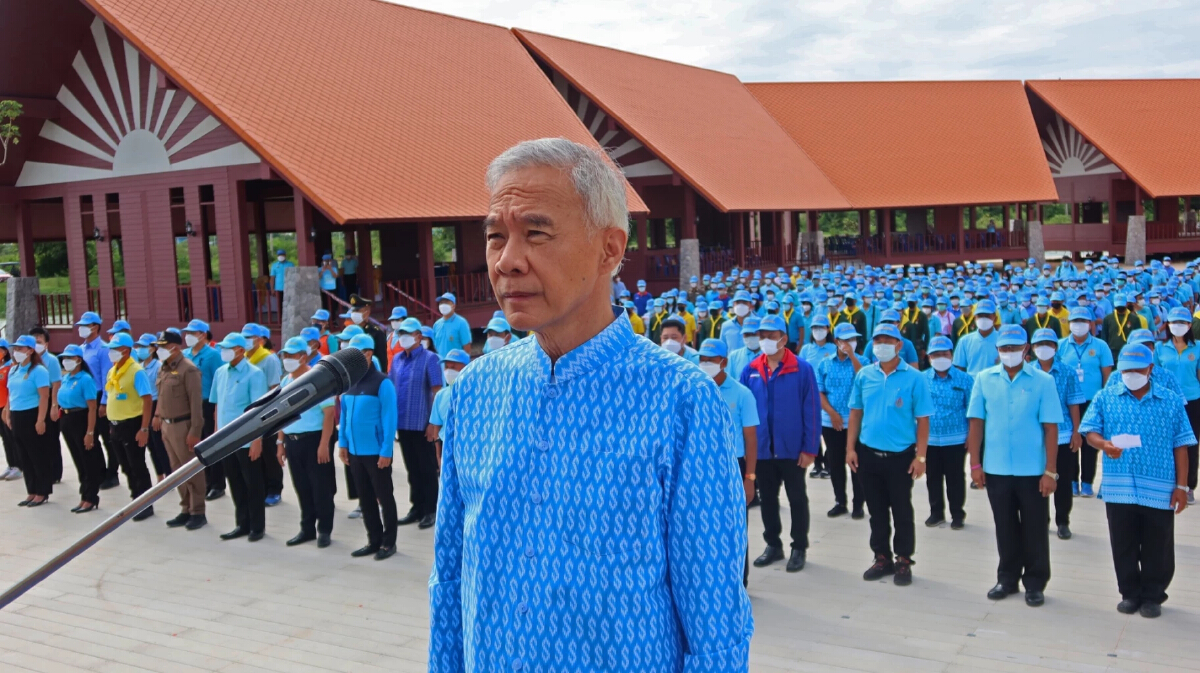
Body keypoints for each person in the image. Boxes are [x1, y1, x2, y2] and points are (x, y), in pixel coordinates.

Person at [430, 139, 752, 671]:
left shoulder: (682, 402)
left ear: (610, 248)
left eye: (535, 233)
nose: (507, 261)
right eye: (494, 237)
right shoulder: (472, 393)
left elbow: (715, 621)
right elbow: (450, 580)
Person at [1081, 343, 1194, 619]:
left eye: (1137, 369)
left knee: (1158, 544)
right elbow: (1090, 431)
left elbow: (1182, 445)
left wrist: (1182, 487)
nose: (1131, 374)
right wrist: (1104, 444)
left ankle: (1153, 595)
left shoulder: (1170, 400)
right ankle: (1129, 593)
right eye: (1126, 370)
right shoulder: (1106, 397)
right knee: (1123, 542)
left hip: (1160, 487)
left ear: (1150, 369)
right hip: (1120, 488)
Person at [967, 324, 1062, 607]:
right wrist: (975, 465)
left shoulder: (1043, 381)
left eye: (1014, 348)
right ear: (997, 350)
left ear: (1026, 349)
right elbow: (976, 423)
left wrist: (1050, 471)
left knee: (1034, 527)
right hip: (996, 468)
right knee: (1004, 525)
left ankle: (1035, 582)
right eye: (1004, 348)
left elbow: (1051, 429)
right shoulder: (984, 379)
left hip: (1033, 470)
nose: (1009, 353)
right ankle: (1007, 578)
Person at [845, 323, 933, 587]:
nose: (881, 344)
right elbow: (855, 413)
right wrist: (850, 448)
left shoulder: (915, 378)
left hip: (900, 457)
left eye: (887, 340)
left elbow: (923, 420)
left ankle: (903, 559)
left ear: (898, 345)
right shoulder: (865, 376)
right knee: (876, 510)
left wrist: (921, 457)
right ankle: (881, 556)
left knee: (902, 509)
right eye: (877, 340)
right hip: (868, 454)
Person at [742, 314, 819, 574]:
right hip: (762, 449)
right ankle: (773, 544)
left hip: (792, 449)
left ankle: (799, 546)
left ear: (783, 339)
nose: (764, 340)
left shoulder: (802, 368)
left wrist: (810, 449)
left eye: (771, 336)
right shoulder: (751, 369)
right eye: (761, 335)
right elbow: (744, 413)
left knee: (797, 498)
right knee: (768, 500)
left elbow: (811, 410)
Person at [697, 337, 759, 586]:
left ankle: (738, 583)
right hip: (701, 466)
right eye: (702, 359)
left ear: (724, 362)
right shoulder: (695, 388)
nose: (705, 364)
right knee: (704, 526)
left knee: (734, 528)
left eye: (711, 360)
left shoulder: (742, 394)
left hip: (733, 466)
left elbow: (751, 439)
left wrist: (750, 478)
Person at [340, 333, 398, 560]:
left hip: (376, 452)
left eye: (357, 354)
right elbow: (343, 416)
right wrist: (343, 443)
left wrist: (386, 450)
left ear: (368, 354)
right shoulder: (349, 382)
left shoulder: (382, 382)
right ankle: (373, 540)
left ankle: (388, 542)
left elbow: (389, 418)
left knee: (385, 497)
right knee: (364, 498)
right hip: (354, 452)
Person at [276, 337, 337, 549]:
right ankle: (307, 528)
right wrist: (280, 443)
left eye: (291, 355)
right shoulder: (286, 381)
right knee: (301, 487)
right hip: (293, 441)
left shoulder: (317, 379)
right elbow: (282, 415)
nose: (287, 359)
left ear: (303, 357)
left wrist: (324, 445)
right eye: (285, 355)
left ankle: (324, 530)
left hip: (314, 439)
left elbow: (329, 414)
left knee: (321, 487)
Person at [210, 333, 268, 542]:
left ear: (240, 350)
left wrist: (256, 441)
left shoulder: (254, 374)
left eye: (229, 347)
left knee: (253, 483)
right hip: (226, 439)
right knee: (235, 482)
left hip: (246, 439)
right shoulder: (220, 372)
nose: (224, 351)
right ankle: (242, 523)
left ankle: (257, 526)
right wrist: (217, 435)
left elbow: (259, 412)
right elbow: (218, 405)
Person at [386, 317, 442, 529]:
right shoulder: (398, 359)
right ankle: (416, 507)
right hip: (403, 423)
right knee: (412, 468)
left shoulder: (431, 359)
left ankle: (430, 509)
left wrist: (432, 423)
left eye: (408, 333)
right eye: (401, 333)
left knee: (427, 468)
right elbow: (391, 389)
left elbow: (437, 392)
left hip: (422, 424)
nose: (404, 337)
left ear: (419, 336)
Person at [1031, 328, 1085, 540]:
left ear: (1055, 347)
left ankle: (1062, 521)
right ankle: (1040, 520)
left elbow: (1073, 404)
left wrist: (1077, 432)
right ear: (1033, 348)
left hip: (1063, 434)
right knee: (1037, 478)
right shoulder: (1028, 371)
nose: (1043, 348)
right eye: (1039, 344)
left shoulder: (1067, 372)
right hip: (1037, 434)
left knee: (1063, 480)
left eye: (1048, 344)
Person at [152, 331, 207, 531]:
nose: (159, 350)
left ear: (174, 347)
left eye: (163, 346)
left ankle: (198, 511)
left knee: (190, 469)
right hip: (167, 425)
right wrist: (158, 416)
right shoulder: (164, 368)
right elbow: (161, 396)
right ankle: (185, 508)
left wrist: (195, 430)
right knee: (176, 470)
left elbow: (195, 404)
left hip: (183, 426)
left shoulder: (189, 370)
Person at [1059, 306, 1115, 499]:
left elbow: (1107, 374)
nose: (1078, 325)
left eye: (1083, 321)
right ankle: (1072, 480)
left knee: (1090, 442)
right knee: (1071, 441)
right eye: (1075, 321)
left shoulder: (1101, 346)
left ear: (1091, 324)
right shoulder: (1061, 346)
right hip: (1068, 401)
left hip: (1093, 400)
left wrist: (1106, 399)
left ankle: (1088, 482)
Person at [103, 332, 156, 521]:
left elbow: (147, 400)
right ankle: (135, 499)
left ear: (126, 350)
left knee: (137, 465)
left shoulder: (136, 371)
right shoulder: (113, 370)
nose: (111, 353)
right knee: (125, 466)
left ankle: (146, 503)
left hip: (132, 424)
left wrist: (144, 429)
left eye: (115, 350)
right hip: (116, 425)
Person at [817, 323, 865, 519]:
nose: (850, 343)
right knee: (835, 462)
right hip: (832, 422)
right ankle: (840, 501)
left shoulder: (863, 360)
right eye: (846, 340)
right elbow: (819, 392)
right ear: (836, 342)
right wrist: (832, 413)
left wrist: (852, 355)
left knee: (856, 463)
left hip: (856, 422)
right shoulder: (825, 364)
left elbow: (864, 379)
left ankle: (858, 504)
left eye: (853, 340)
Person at [924, 335, 972, 529]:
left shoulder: (965, 379)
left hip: (956, 438)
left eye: (944, 353)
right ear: (929, 357)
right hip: (930, 439)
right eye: (935, 354)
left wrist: (971, 436)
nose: (940, 357)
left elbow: (971, 410)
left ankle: (957, 514)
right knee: (932, 477)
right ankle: (936, 512)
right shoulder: (921, 379)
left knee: (955, 478)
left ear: (951, 355)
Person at [1154, 307, 1200, 504]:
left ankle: (1189, 486)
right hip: (1167, 401)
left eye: (1181, 323)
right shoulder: (1160, 348)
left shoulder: (1197, 347)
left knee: (1190, 442)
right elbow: (1154, 376)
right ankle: (1169, 482)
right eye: (1173, 323)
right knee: (1167, 442)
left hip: (1192, 400)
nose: (1177, 326)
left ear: (1189, 325)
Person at [6, 336, 53, 507]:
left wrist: (41, 419)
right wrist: (7, 412)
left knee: (37, 454)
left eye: (21, 349)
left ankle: (42, 491)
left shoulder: (39, 371)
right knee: (23, 455)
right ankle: (31, 490)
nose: (17, 352)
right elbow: (11, 393)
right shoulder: (14, 370)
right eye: (16, 349)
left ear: (31, 350)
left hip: (31, 414)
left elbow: (44, 396)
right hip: (17, 414)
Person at [75, 312, 119, 490]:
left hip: (100, 395)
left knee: (108, 437)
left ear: (96, 326)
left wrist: (104, 402)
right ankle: (99, 471)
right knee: (91, 437)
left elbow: (108, 377)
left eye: (86, 325)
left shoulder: (103, 349)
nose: (81, 328)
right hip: (85, 398)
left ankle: (113, 473)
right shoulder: (82, 349)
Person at [183, 319, 225, 501]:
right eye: (187, 333)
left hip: (207, 403)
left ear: (203, 334)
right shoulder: (184, 354)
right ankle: (203, 480)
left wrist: (217, 406)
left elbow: (219, 380)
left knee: (210, 443)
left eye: (193, 333)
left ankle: (217, 483)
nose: (188, 336)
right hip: (188, 404)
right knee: (195, 445)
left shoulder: (213, 355)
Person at [243, 323, 284, 507]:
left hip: (266, 413)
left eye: (249, 338)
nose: (246, 341)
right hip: (249, 413)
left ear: (260, 340)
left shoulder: (269, 359)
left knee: (268, 452)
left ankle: (275, 489)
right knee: (255, 455)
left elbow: (275, 387)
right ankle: (262, 488)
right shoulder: (244, 358)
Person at [57, 345, 101, 513]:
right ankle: (84, 496)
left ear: (78, 360)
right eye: (64, 358)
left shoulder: (85, 379)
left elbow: (92, 407)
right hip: (67, 419)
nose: (65, 361)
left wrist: (90, 432)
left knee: (88, 459)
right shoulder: (66, 378)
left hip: (82, 418)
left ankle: (91, 497)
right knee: (78, 459)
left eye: (69, 358)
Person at [134, 333, 172, 482]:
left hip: (156, 405)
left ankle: (169, 475)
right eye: (139, 346)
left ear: (153, 349)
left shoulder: (159, 367)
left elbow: (162, 392)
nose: (140, 349)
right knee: (150, 445)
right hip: (143, 406)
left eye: (144, 346)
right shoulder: (139, 367)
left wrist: (157, 415)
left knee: (159, 444)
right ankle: (159, 475)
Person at [428, 349, 469, 466]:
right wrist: (438, 454)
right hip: (445, 444)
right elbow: (436, 426)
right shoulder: (441, 395)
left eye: (454, 367)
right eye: (447, 367)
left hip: (466, 446)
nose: (449, 371)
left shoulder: (475, 393)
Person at [952, 299, 1000, 375]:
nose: (983, 319)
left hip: (995, 384)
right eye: (980, 316)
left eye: (987, 316)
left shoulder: (1003, 340)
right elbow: (959, 368)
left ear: (995, 318)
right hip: (971, 385)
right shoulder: (965, 341)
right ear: (975, 318)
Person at [348, 294, 388, 370]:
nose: (354, 314)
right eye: (353, 311)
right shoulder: (349, 331)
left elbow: (382, 360)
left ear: (367, 312)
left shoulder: (376, 333)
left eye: (357, 311)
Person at [1101, 294, 1145, 359]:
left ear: (1126, 304)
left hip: (1130, 352)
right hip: (1113, 352)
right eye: (1118, 305)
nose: (1120, 307)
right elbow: (1104, 337)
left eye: (1122, 305)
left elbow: (1138, 337)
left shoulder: (1134, 318)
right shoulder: (1108, 318)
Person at [0, 339, 18, 482]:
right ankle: (11, 464)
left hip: (6, 406)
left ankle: (18, 466)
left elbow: (11, 389)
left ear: (5, 351)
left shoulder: (10, 367)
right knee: (4, 438)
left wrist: (8, 407)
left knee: (11, 436)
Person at [725, 316, 761, 381]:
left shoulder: (769, 356)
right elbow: (729, 381)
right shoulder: (734, 357)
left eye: (754, 334)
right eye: (747, 334)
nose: (750, 337)